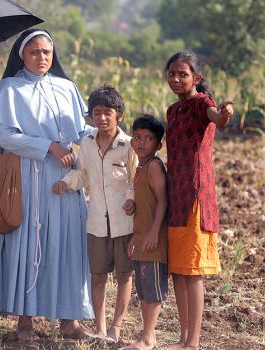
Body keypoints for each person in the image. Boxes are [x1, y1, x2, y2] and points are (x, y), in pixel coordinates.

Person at [0, 29, 94, 340]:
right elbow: (6, 137)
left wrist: (114, 140)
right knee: (28, 244)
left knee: (68, 245)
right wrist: (49, 147)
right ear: (22, 55)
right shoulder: (9, 89)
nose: (42, 57)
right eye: (34, 52)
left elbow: (83, 129)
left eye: (46, 52)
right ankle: (25, 321)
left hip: (66, 181)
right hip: (27, 180)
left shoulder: (67, 87)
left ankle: (70, 322)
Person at [53, 85, 137, 343]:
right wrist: (66, 183)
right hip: (97, 222)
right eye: (96, 113)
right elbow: (82, 173)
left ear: (119, 115)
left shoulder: (129, 146)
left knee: (124, 276)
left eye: (107, 113)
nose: (101, 118)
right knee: (98, 276)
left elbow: (137, 179)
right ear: (90, 116)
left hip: (124, 223)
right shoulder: (87, 144)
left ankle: (116, 327)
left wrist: (132, 200)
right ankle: (100, 329)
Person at [163, 50, 234, 350]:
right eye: (172, 74)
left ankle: (193, 342)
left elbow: (218, 118)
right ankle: (182, 337)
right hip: (175, 197)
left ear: (197, 78)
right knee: (178, 271)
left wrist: (226, 114)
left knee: (193, 274)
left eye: (183, 74)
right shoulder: (172, 111)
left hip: (195, 197)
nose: (177, 79)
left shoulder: (202, 104)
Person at [123, 115, 168, 350]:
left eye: (149, 139)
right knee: (142, 289)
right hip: (141, 237)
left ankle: (148, 337)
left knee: (152, 290)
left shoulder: (154, 166)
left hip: (154, 239)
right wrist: (136, 236)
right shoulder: (139, 167)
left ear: (158, 145)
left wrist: (152, 233)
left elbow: (162, 202)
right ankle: (146, 335)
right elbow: (145, 205)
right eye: (138, 137)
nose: (142, 143)